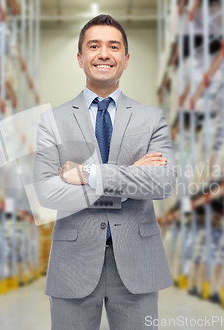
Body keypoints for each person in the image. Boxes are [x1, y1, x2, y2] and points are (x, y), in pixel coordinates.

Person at [33, 14, 177, 330]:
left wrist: (90, 174)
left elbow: (164, 183)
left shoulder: (151, 119)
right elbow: (46, 190)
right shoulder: (52, 121)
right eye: (93, 45)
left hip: (137, 262)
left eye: (113, 47)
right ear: (80, 57)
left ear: (125, 60)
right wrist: (130, 178)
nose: (103, 54)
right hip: (73, 261)